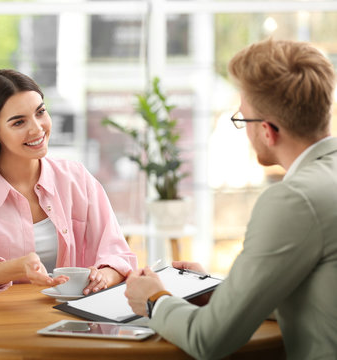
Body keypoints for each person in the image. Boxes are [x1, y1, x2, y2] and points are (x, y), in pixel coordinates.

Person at [125, 38, 337, 359]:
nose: (245, 131)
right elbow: (317, 293)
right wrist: (219, 292)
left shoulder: (293, 199)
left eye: (243, 120)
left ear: (267, 131)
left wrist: (154, 300)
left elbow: (207, 339)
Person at [0, 69, 137, 300]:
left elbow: (119, 254)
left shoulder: (77, 179)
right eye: (19, 122)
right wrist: (16, 268)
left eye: (40, 112)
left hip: (68, 321)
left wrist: (104, 276)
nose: (37, 128)